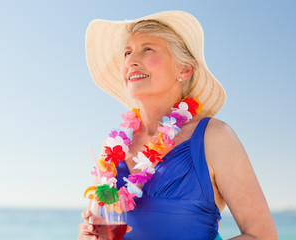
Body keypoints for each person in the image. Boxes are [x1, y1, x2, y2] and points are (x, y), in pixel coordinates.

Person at [78, 11, 277, 240]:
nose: (131, 60)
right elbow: (95, 230)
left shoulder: (215, 138)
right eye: (127, 52)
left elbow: (262, 236)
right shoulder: (112, 148)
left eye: (147, 49)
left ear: (184, 70)